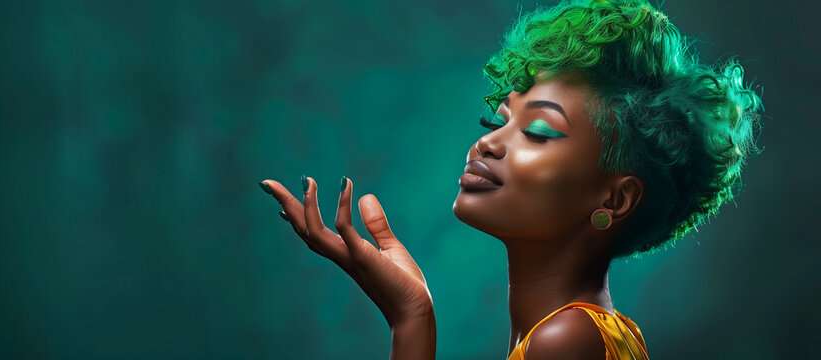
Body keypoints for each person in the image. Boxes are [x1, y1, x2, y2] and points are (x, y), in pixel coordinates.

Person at [258, 0, 763, 358]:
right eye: (498, 121)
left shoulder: (566, 340)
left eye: (539, 132)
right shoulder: (585, 331)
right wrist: (412, 311)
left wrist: (411, 324)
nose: (489, 143)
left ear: (616, 196)